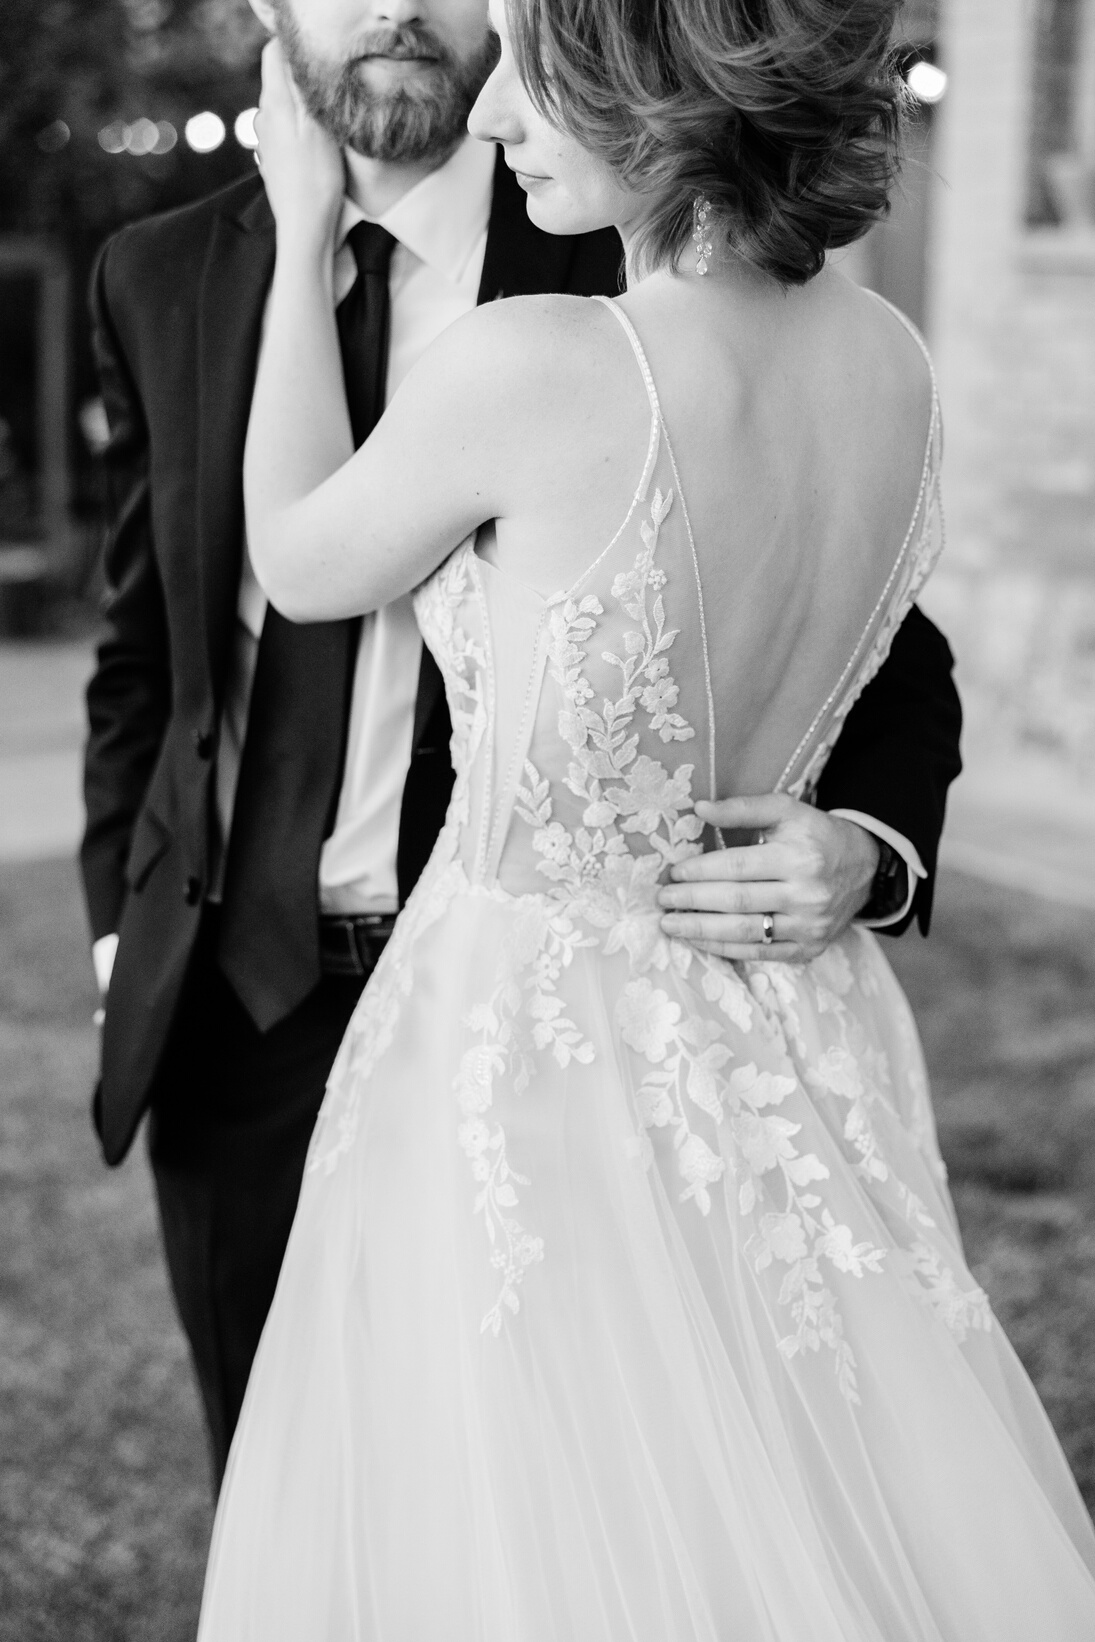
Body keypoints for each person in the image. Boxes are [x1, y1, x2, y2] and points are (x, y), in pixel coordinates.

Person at [197, 1, 1095, 1635]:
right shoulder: (893, 361)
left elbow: (302, 559)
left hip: (527, 1048)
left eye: (530, 71)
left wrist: (301, 230)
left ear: (646, 83)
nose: (492, 119)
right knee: (797, 1477)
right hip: (795, 1037)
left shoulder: (539, 365)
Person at [82, 0, 961, 1488]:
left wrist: (870, 847)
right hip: (239, 994)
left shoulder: (580, 280)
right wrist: (125, 928)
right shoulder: (157, 272)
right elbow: (145, 645)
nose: (405, 19)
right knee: (310, 1479)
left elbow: (891, 650)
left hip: (513, 1025)